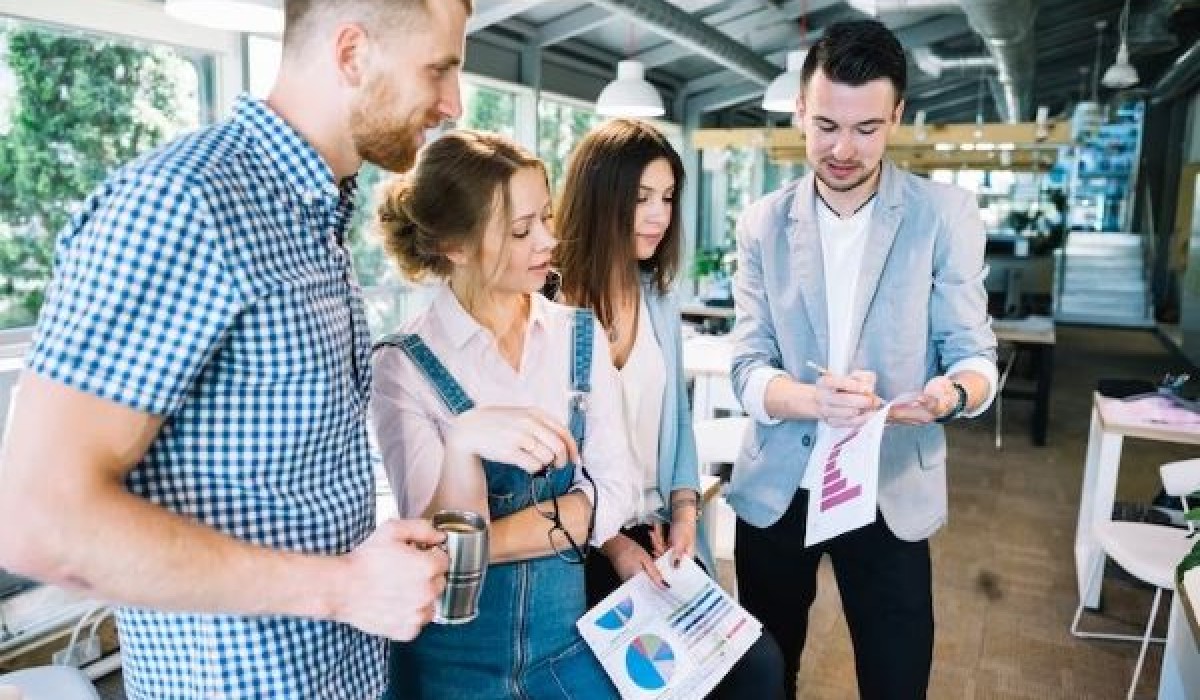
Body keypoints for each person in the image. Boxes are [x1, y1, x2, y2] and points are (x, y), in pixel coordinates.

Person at [0, 1, 471, 697]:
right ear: (351, 53)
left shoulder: (313, 219)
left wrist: (362, 564)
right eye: (439, 70)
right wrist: (342, 588)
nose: (453, 103)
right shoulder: (184, 203)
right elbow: (41, 522)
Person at [727, 19, 999, 700]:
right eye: (824, 126)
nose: (843, 149)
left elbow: (975, 358)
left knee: (897, 678)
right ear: (799, 109)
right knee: (762, 675)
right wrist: (809, 399)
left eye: (866, 129)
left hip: (889, 485)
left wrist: (944, 398)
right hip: (779, 485)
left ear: (897, 116)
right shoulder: (763, 221)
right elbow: (746, 363)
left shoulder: (944, 215)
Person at [370, 129, 637, 699]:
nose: (548, 239)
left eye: (546, 217)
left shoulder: (578, 337)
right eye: (521, 230)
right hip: (447, 668)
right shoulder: (403, 366)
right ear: (454, 246)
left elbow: (617, 496)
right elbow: (433, 547)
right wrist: (464, 443)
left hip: (564, 653)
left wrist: (482, 540)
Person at [555, 118, 785, 700]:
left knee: (757, 665)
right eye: (640, 198)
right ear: (600, 198)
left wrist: (686, 513)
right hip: (580, 543)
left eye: (667, 197)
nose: (659, 215)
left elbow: (678, 424)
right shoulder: (552, 309)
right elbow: (550, 462)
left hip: (659, 535)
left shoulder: (658, 298)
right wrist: (614, 545)